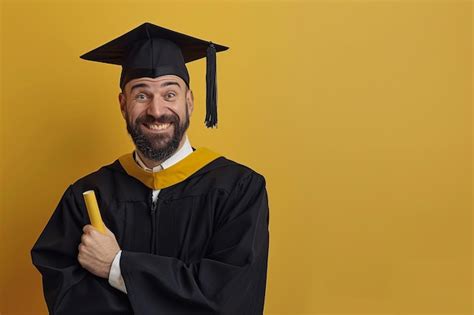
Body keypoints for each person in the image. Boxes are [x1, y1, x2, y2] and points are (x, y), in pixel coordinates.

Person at [31, 22, 270, 315]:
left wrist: (117, 265)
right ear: (123, 103)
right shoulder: (86, 196)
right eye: (141, 95)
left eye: (169, 94)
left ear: (190, 101)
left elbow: (231, 300)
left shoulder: (238, 190)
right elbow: (69, 302)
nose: (156, 111)